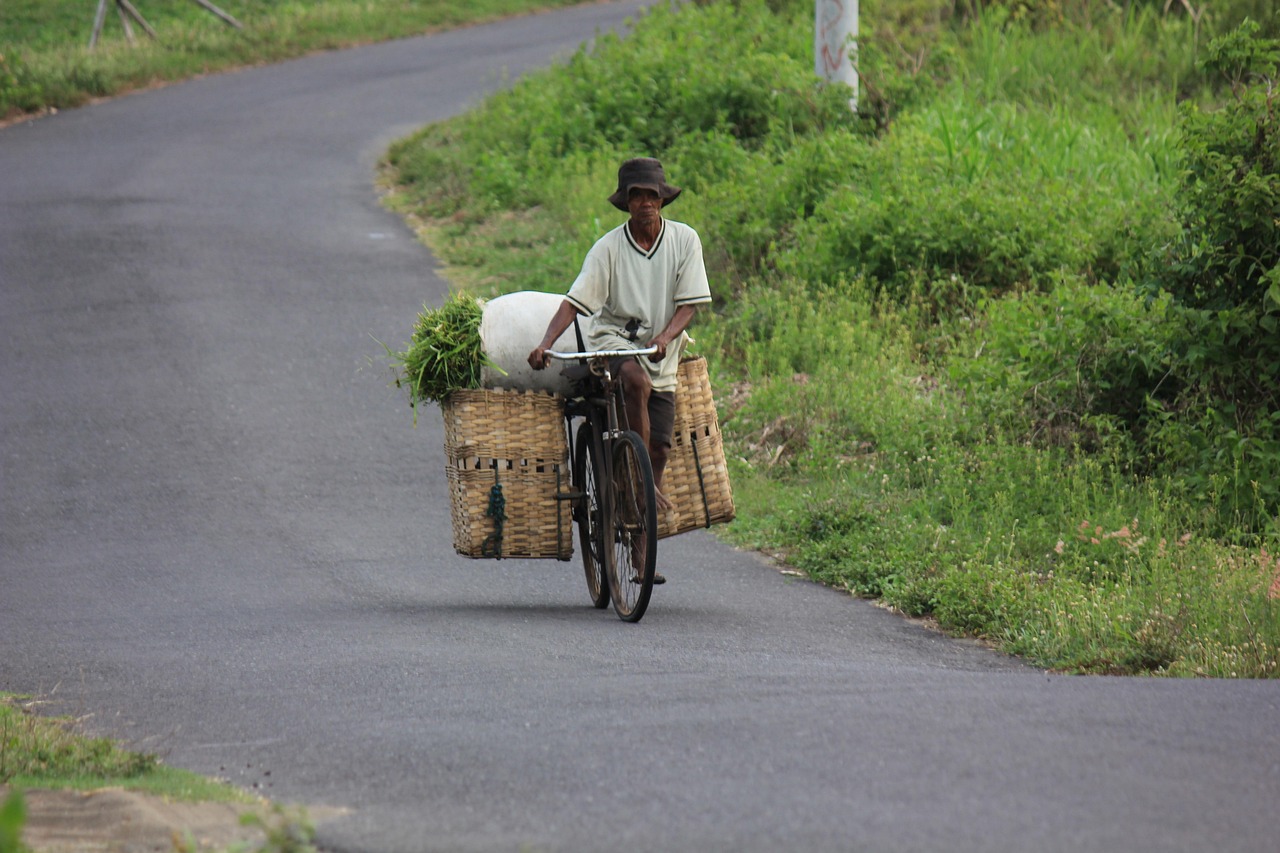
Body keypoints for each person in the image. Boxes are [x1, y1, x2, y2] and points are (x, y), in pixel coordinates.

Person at [528, 158, 712, 583]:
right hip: (614, 343)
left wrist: (666, 337)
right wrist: (545, 343)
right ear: (626, 203)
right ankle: (635, 492)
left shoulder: (684, 241)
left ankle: (642, 497)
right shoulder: (608, 248)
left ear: (662, 198)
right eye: (636, 196)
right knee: (634, 380)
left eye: (652, 195)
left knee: (661, 448)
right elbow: (576, 302)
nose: (645, 203)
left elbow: (689, 305)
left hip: (660, 349)